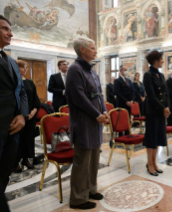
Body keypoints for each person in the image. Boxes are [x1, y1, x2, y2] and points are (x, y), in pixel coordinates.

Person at [66, 37, 109, 210]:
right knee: (82, 161)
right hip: (84, 121)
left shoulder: (91, 70)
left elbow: (99, 93)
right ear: (82, 49)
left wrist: (104, 111)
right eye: (92, 48)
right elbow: (79, 98)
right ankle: (77, 198)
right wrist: (97, 114)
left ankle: (91, 189)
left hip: (95, 121)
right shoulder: (74, 69)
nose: (95, 50)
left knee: (93, 159)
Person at [0, 15, 28, 193]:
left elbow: (20, 91)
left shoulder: (11, 62)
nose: (11, 33)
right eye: (5, 29)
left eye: (10, 29)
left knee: (4, 173)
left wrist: (22, 114)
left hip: (13, 129)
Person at [143, 50, 170, 176]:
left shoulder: (161, 75)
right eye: (161, 59)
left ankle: (155, 163)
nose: (163, 61)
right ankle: (150, 164)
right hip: (153, 111)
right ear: (155, 60)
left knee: (158, 137)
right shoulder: (148, 75)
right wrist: (162, 108)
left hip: (161, 111)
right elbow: (152, 96)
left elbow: (165, 93)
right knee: (151, 139)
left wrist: (167, 107)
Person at [14, 60, 41, 172]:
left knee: (28, 138)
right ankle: (15, 162)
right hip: (18, 116)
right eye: (22, 67)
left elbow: (36, 100)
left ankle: (26, 159)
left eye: (26, 67)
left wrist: (32, 113)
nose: (25, 69)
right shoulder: (14, 82)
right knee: (17, 140)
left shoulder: (30, 82)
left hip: (30, 117)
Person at [114, 65, 133, 136]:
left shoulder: (128, 80)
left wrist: (131, 100)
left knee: (128, 120)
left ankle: (127, 135)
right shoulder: (117, 80)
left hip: (129, 104)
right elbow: (117, 93)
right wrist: (126, 101)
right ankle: (121, 136)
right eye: (125, 70)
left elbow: (131, 91)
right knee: (121, 121)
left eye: (127, 70)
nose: (126, 71)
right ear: (121, 71)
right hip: (121, 103)